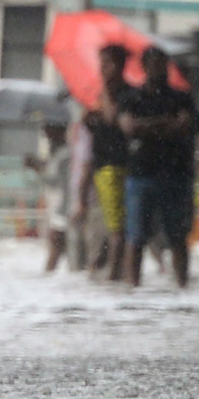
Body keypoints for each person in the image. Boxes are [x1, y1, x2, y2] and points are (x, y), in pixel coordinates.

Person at [117, 46, 198, 287]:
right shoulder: (132, 98)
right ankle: (133, 288)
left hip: (176, 174)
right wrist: (165, 123)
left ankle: (183, 285)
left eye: (161, 64)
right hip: (141, 173)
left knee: (177, 236)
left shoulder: (181, 97)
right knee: (136, 236)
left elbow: (183, 124)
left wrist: (147, 126)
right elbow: (128, 127)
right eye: (152, 64)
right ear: (143, 67)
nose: (157, 70)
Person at [79, 44, 133, 280]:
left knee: (117, 228)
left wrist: (105, 96)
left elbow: (114, 120)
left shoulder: (127, 95)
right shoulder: (103, 95)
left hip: (119, 166)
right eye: (101, 63)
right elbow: (101, 127)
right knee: (111, 225)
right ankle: (113, 272)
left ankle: (115, 274)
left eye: (108, 63)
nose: (102, 69)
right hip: (101, 164)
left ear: (120, 65)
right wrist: (90, 119)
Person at [24, 121, 71, 273]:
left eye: (48, 133)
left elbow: (54, 181)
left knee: (56, 245)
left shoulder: (65, 155)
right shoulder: (60, 154)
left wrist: (37, 168)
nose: (46, 137)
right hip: (61, 210)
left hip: (65, 209)